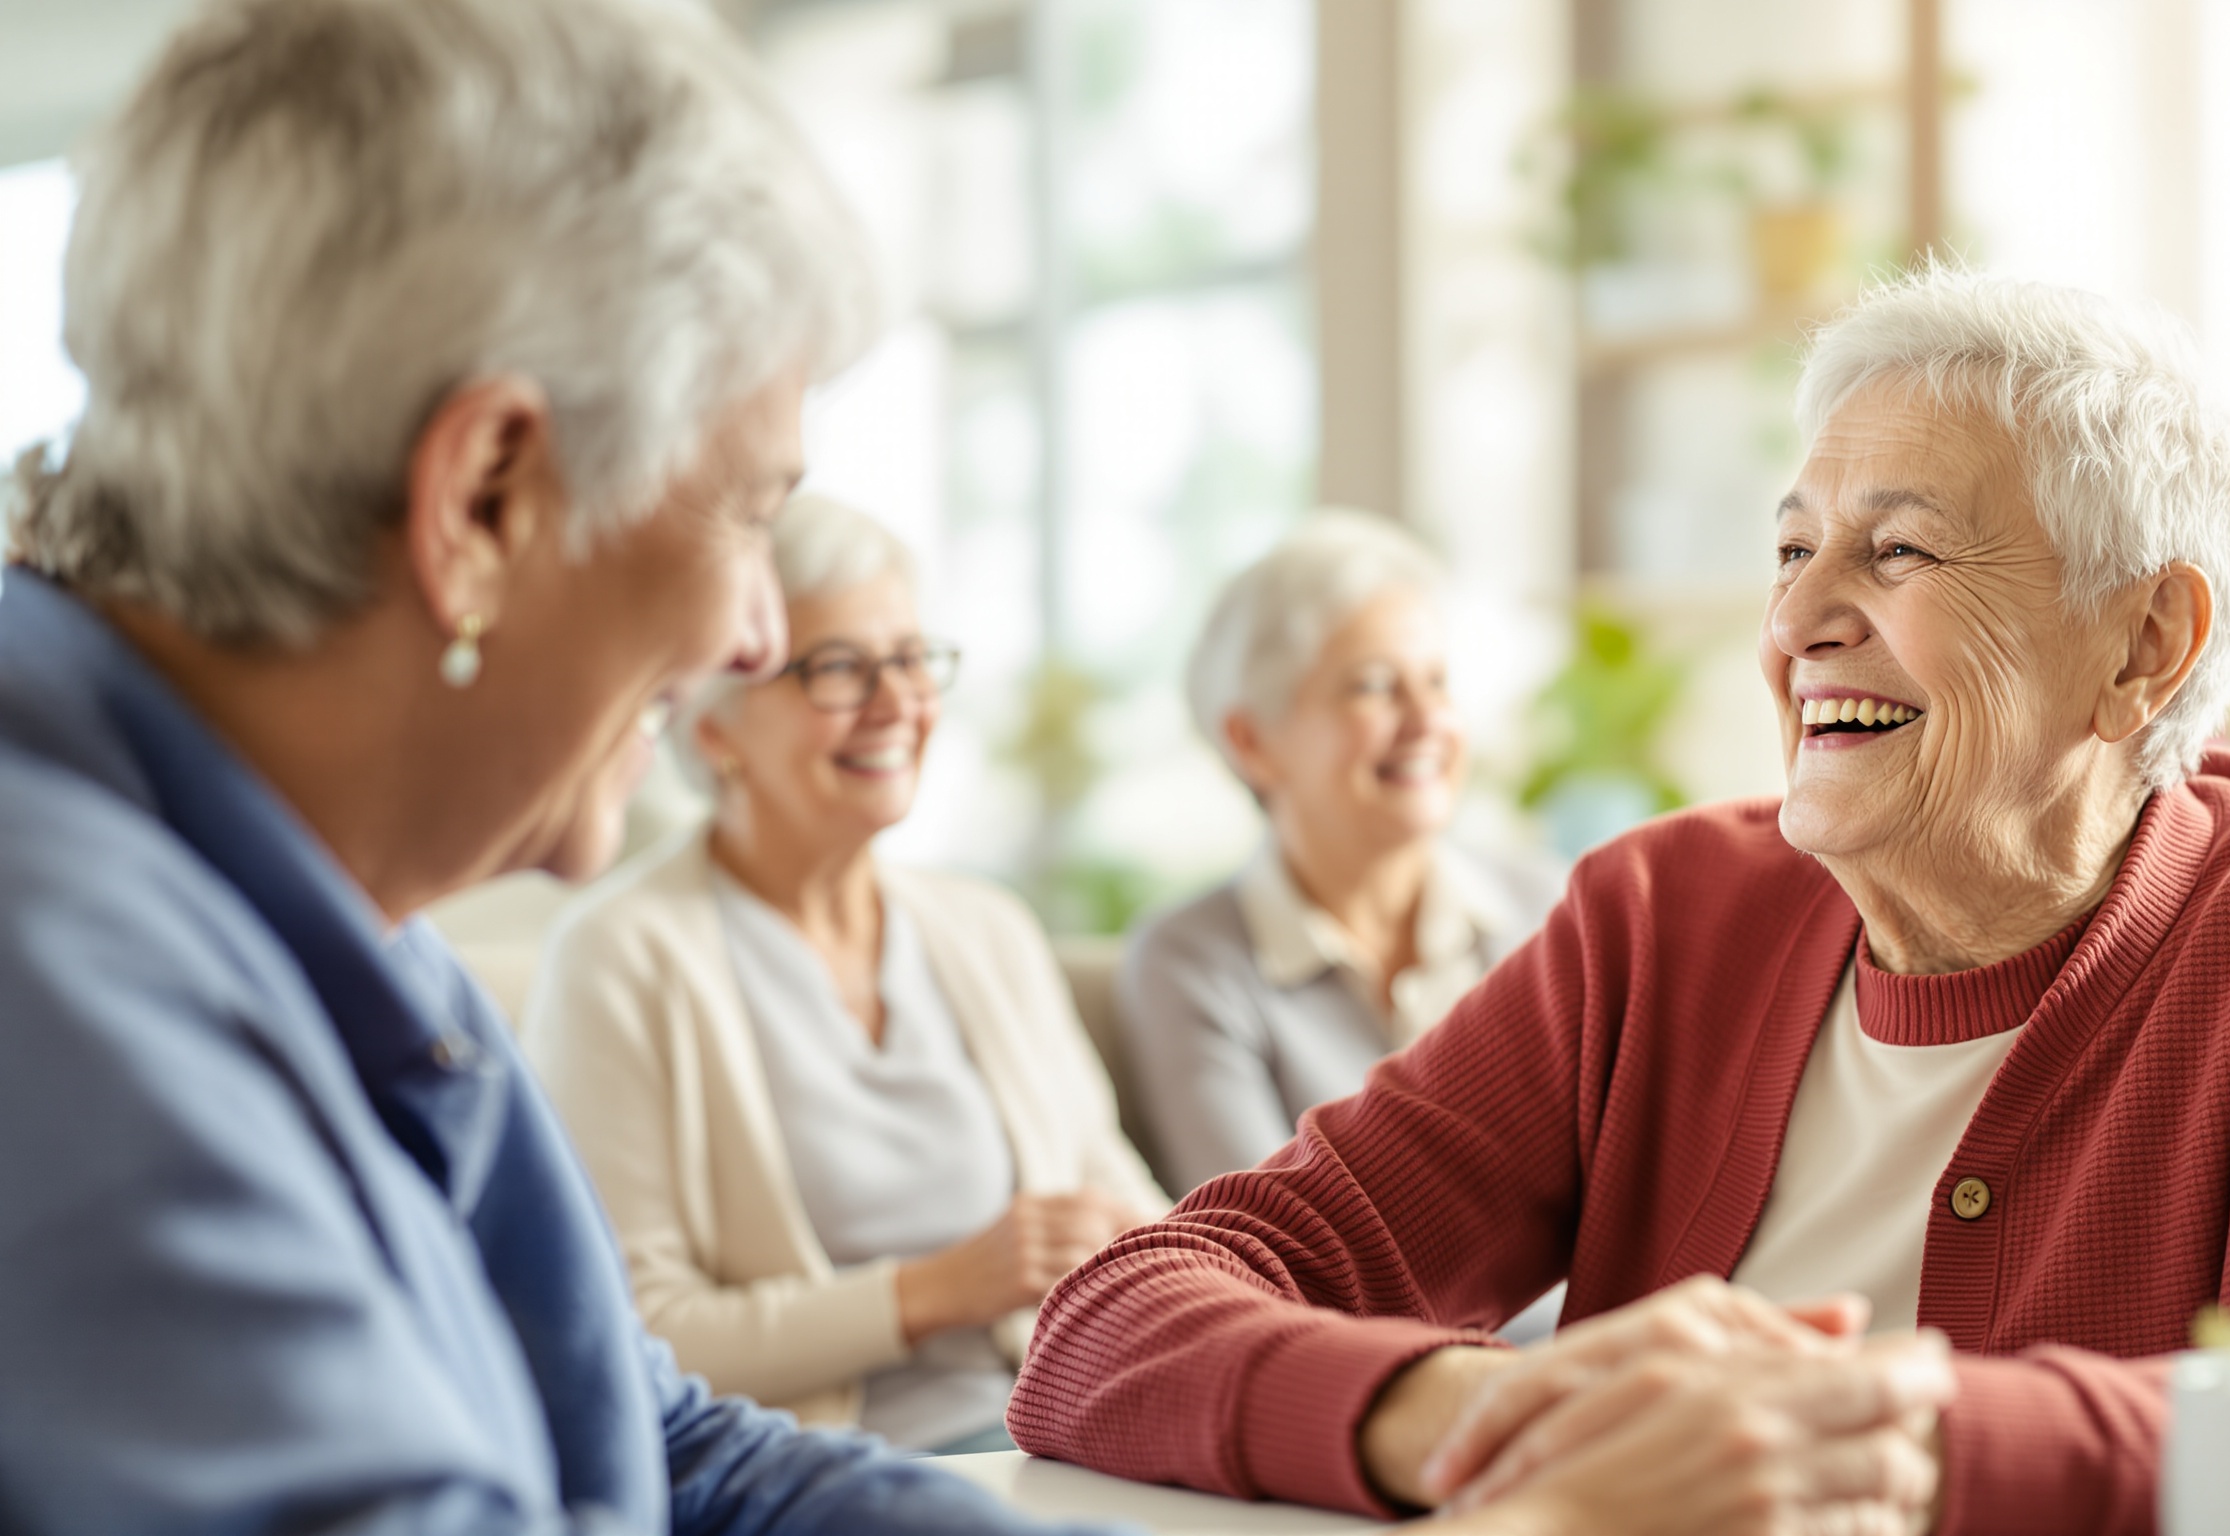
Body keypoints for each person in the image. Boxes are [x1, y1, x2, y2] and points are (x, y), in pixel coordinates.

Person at [1007, 271, 2230, 1536]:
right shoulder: (1663, 915)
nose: (1799, 622)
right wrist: (1479, 1414)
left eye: (1898, 553)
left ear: (2145, 642)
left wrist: (1903, 1439)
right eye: (1791, 549)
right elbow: (1110, 1325)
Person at [0, 0, 1116, 1530]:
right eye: (745, 510)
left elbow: (656, 1453)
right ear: (487, 501)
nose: (755, 633)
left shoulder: (339, 909)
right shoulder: (57, 970)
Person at [523, 493, 1165, 1455]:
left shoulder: (988, 931)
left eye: (911, 659)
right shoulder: (619, 957)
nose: (899, 702)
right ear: (715, 729)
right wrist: (932, 1292)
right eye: (837, 669)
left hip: (1072, 1431)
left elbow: (1132, 1215)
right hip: (827, 1476)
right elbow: (636, 1331)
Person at [1119, 511, 1557, 1194]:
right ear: (1251, 741)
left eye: (1437, 682)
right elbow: (1257, 1235)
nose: (1427, 722)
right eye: (1374, 686)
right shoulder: (1192, 961)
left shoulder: (1555, 911)